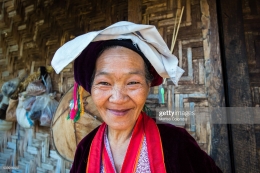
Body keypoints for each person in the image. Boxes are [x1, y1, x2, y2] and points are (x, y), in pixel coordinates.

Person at [52, 21, 222, 173]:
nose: (118, 98)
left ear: (148, 86)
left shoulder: (176, 143)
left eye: (133, 82)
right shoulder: (85, 149)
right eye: (104, 83)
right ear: (91, 88)